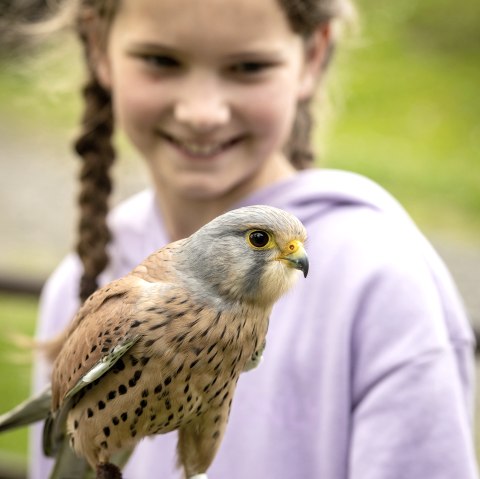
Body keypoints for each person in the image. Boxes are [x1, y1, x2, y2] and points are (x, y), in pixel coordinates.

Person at [29, 0, 478, 478]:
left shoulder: (385, 279)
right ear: (98, 47)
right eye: (161, 60)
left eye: (248, 67)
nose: (202, 113)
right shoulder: (87, 274)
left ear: (313, 57)